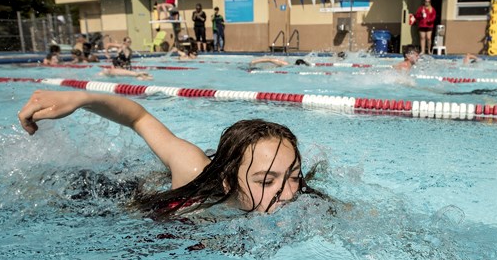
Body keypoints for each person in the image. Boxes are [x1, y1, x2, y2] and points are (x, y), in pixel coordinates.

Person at [17, 90, 325, 219]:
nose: (286, 194)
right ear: (229, 181)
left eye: (293, 177)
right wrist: (81, 98)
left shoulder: (298, 199)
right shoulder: (194, 170)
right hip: (113, 196)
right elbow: (139, 118)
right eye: (266, 181)